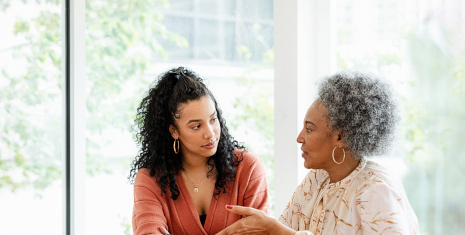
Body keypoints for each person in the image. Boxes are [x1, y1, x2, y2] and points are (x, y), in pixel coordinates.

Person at [218, 71, 419, 235]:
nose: (299, 137)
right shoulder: (316, 179)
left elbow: (282, 231)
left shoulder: (376, 190)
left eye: (309, 129)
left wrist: (276, 230)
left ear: (340, 137)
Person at [129, 67, 270, 235]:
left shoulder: (247, 167)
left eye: (213, 119)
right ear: (174, 131)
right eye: (196, 126)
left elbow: (262, 231)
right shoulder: (150, 180)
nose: (210, 133)